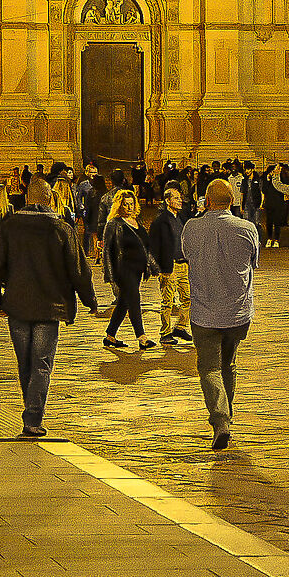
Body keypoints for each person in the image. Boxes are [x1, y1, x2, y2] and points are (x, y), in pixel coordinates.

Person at [0, 173, 98, 438]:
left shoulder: (10, 227)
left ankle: (31, 412)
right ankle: (33, 417)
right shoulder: (62, 229)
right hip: (49, 307)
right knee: (42, 363)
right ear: (50, 200)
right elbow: (79, 270)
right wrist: (90, 300)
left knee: (25, 363)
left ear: (26, 198)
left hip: (17, 305)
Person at [183, 178, 260, 450]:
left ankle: (220, 419)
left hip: (204, 311)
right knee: (228, 364)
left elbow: (186, 255)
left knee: (209, 368)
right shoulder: (247, 228)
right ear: (232, 200)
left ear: (206, 201)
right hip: (237, 312)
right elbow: (253, 262)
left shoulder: (192, 228)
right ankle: (228, 416)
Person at [101, 190, 156, 350]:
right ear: (119, 205)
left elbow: (145, 244)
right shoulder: (113, 224)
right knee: (134, 300)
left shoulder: (136, 221)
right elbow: (107, 250)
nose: (129, 207)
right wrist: (110, 273)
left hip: (137, 269)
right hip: (123, 269)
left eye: (132, 203)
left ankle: (110, 335)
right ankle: (142, 337)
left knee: (124, 302)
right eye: (126, 204)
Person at [149, 184, 193, 345]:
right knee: (167, 301)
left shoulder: (181, 218)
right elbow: (152, 246)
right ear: (167, 201)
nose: (180, 200)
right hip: (169, 266)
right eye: (176, 198)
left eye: (180, 198)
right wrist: (159, 267)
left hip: (183, 264)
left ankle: (180, 327)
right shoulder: (160, 221)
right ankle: (165, 333)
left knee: (188, 298)